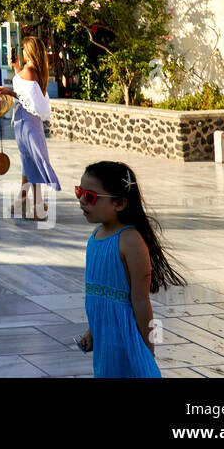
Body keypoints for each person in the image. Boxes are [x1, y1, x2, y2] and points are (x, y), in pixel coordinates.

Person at [75, 160, 186, 377]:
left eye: (90, 197)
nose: (81, 201)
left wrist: (149, 348)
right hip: (106, 342)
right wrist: (93, 332)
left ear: (120, 203)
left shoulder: (130, 241)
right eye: (79, 192)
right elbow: (101, 299)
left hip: (127, 339)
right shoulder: (96, 236)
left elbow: (141, 301)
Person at [0, 36, 59, 220]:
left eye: (23, 49)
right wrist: (15, 68)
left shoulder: (30, 71)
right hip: (25, 120)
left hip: (27, 121)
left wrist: (8, 92)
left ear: (29, 51)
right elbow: (25, 89)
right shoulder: (29, 70)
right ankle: (21, 201)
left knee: (33, 162)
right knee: (28, 162)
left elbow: (27, 98)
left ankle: (37, 208)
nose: (21, 52)